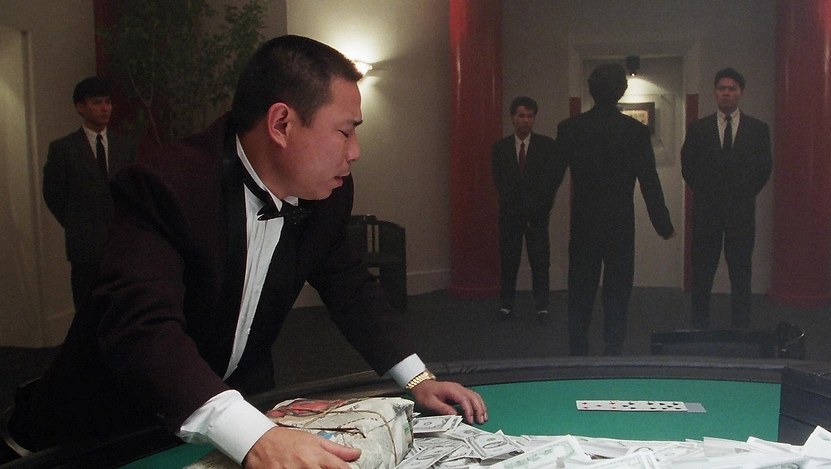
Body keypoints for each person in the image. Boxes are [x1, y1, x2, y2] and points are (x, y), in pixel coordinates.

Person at [9, 35, 487, 468]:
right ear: (281, 123)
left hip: (240, 401)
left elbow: (349, 285)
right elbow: (142, 331)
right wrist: (255, 436)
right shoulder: (164, 187)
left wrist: (417, 378)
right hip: (108, 426)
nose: (355, 151)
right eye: (345, 131)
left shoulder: (328, 193)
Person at [555, 63, 675, 356]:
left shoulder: (570, 128)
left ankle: (578, 346)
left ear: (591, 89)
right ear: (621, 90)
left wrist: (536, 212)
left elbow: (552, 177)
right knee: (618, 290)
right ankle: (613, 346)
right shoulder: (635, 132)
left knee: (580, 288)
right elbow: (649, 182)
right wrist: (663, 224)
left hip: (584, 222)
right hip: (620, 223)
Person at [681, 67, 772, 330]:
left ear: (740, 93)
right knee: (702, 270)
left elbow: (764, 168)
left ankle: (741, 325)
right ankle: (699, 323)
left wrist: (744, 193)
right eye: (722, 88)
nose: (726, 93)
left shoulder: (758, 129)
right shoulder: (698, 128)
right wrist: (706, 193)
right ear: (715, 93)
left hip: (741, 212)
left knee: (741, 271)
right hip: (706, 211)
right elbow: (688, 165)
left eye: (732, 89)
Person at [42, 76, 137, 312]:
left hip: (120, 245)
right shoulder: (64, 149)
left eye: (108, 102)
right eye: (97, 102)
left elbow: (132, 190)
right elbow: (53, 194)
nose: (105, 108)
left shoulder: (124, 146)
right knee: (87, 311)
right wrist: (76, 222)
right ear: (80, 107)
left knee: (121, 310)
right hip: (85, 247)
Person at [491, 96, 560, 318]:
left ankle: (542, 306)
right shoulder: (500, 148)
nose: (526, 120)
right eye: (521, 115)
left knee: (540, 262)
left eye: (530, 116)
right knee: (508, 261)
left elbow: (550, 183)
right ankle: (506, 304)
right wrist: (513, 207)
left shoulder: (547, 146)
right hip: (510, 215)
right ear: (513, 118)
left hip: (537, 215)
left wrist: (540, 208)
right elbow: (499, 181)